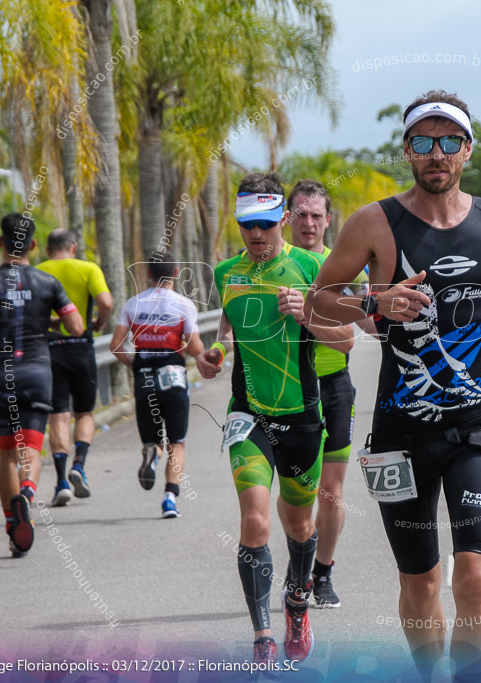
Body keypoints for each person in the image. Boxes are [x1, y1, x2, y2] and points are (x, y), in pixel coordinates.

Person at [305, 90, 481, 678]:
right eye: (425, 142)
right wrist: (376, 303)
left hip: (477, 424)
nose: (438, 153)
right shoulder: (376, 222)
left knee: (476, 579)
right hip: (399, 432)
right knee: (421, 579)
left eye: (450, 141)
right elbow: (320, 299)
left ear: (467, 151)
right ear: (407, 150)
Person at [195, 173, 354, 665]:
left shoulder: (313, 267)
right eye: (248, 226)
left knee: (300, 525)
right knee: (255, 520)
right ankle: (262, 634)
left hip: (303, 418)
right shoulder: (227, 273)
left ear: (282, 220)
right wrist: (216, 350)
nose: (257, 235)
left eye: (265, 224)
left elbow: (347, 339)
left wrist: (307, 313)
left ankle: (296, 601)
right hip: (248, 415)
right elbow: (228, 320)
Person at [0, 214, 84, 557]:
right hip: (37, 374)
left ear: (1, 242)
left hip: (1, 376)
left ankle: (12, 529)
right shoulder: (47, 282)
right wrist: (46, 318)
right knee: (30, 450)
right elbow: (76, 327)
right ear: (31, 246)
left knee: (6, 454)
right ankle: (27, 495)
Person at [285, 178, 366, 609]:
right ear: (288, 217)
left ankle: (322, 573)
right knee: (294, 491)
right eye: (302, 214)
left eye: (317, 215)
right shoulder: (272, 266)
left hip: (334, 387)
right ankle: (299, 560)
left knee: (331, 491)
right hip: (285, 391)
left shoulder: (344, 268)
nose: (309, 223)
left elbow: (351, 336)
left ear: (328, 220)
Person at [109, 251, 209, 519]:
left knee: (153, 439)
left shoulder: (132, 305)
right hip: (174, 374)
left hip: (145, 376)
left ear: (148, 275)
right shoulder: (184, 305)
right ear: (176, 273)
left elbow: (116, 345)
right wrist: (195, 352)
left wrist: (137, 365)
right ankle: (169, 499)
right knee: (177, 441)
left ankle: (152, 454)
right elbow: (195, 346)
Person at [37, 229, 113, 506]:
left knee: (58, 415)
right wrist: (99, 322)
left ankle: (59, 483)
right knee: (85, 413)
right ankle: (78, 466)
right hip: (81, 347)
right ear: (74, 247)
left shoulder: (37, 272)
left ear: (47, 250)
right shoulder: (88, 268)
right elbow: (105, 302)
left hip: (49, 349)